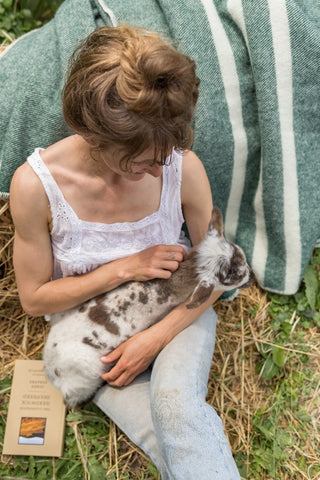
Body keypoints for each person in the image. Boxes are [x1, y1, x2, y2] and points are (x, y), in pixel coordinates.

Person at [10, 25, 241, 479]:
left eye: (167, 153)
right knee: (163, 437)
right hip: (93, 338)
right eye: (142, 160)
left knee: (176, 411)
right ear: (93, 135)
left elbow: (220, 269)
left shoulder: (180, 166)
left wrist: (153, 339)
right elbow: (34, 299)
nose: (161, 170)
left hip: (178, 311)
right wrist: (124, 268)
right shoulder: (35, 186)